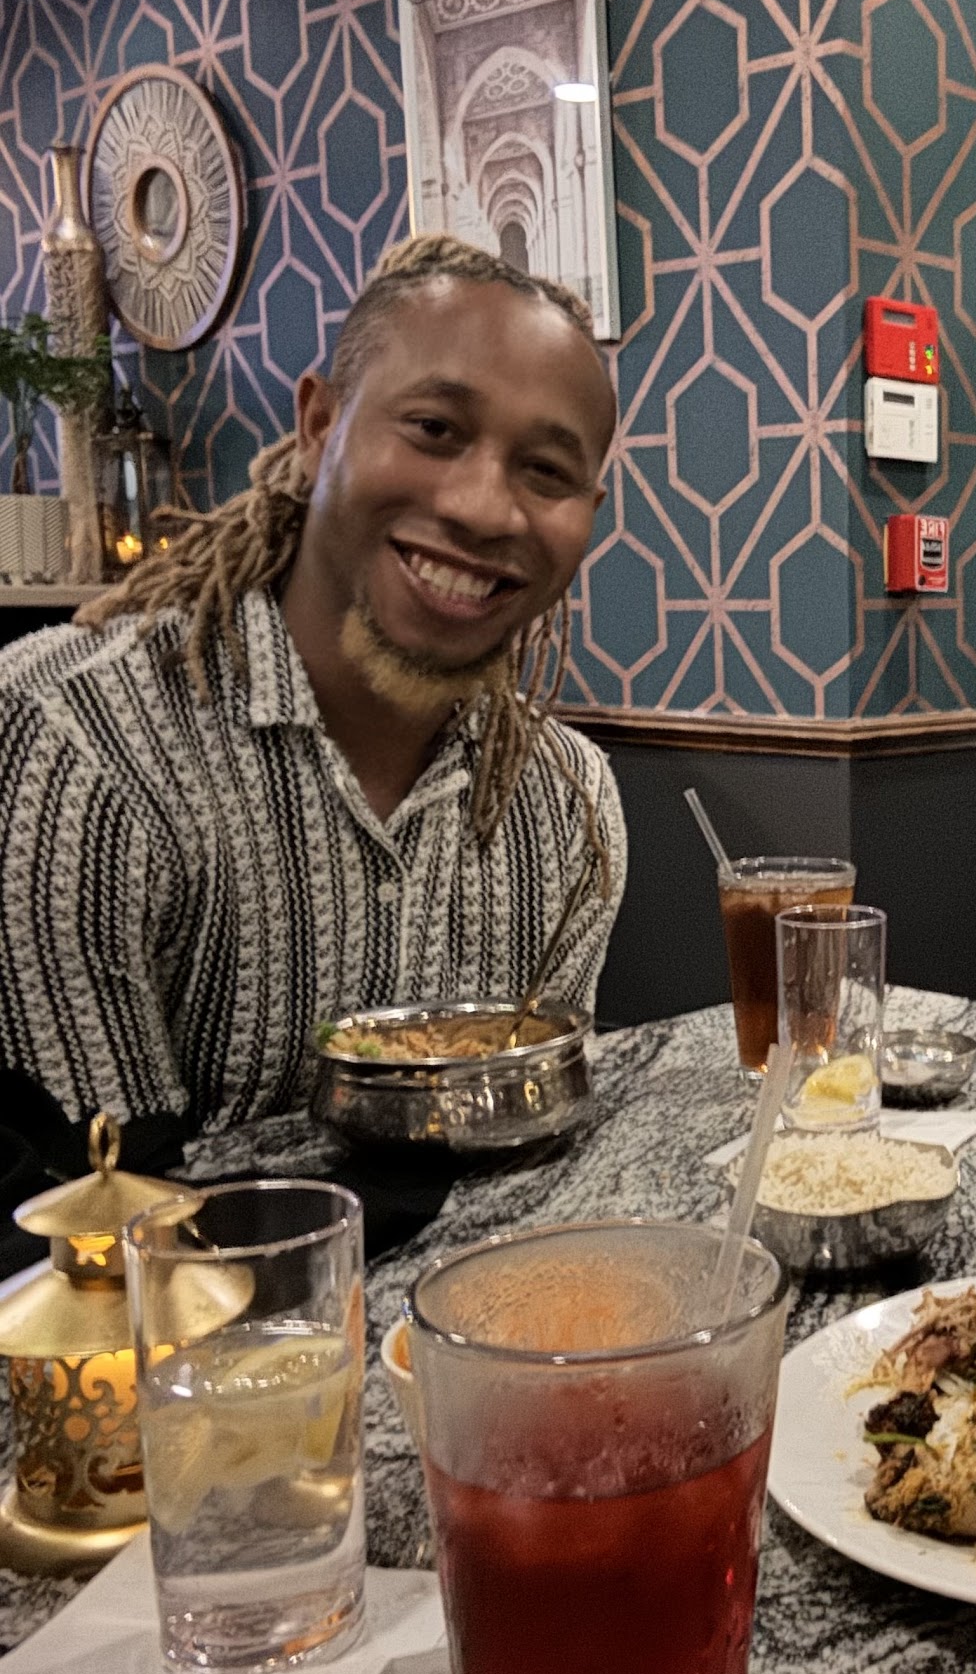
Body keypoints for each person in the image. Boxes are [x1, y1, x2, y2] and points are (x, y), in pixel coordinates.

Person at [0, 234, 626, 1132]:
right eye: (435, 430)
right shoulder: (78, 748)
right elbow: (93, 1200)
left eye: (547, 473)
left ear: (588, 516)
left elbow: (530, 1151)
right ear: (319, 425)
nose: (482, 507)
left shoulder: (565, 808)